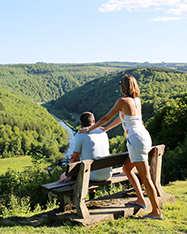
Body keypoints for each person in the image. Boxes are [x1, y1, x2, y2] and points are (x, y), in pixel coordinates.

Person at [79, 74, 163, 220]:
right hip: (144, 136)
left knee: (146, 177)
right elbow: (122, 117)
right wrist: (107, 129)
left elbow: (106, 117)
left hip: (136, 140)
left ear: (123, 86)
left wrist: (89, 130)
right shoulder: (137, 100)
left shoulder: (122, 100)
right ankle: (141, 200)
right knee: (127, 169)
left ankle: (156, 211)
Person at [59, 112, 112, 189]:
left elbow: (74, 158)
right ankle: (92, 197)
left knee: (63, 175)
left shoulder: (80, 134)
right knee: (89, 167)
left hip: (91, 176)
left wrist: (69, 175)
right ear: (94, 121)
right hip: (107, 174)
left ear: (81, 124)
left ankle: (71, 199)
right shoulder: (103, 132)